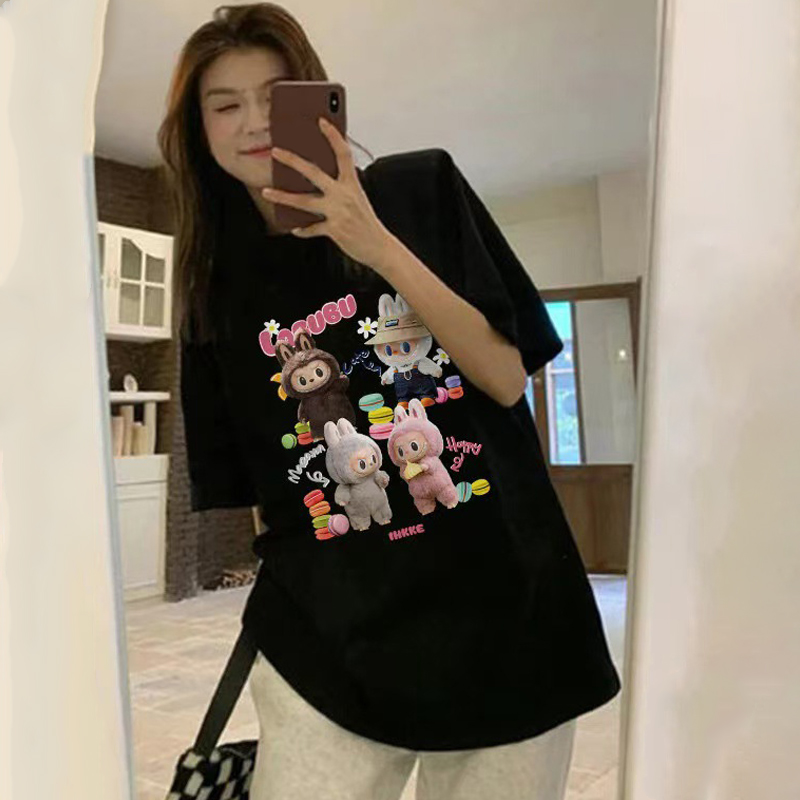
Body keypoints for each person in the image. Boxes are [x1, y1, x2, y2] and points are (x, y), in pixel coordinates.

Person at [157, 4, 621, 799]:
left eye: (275, 96)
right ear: (199, 133)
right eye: (225, 105)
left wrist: (373, 242)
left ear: (317, 98)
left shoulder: (419, 191)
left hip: (505, 622)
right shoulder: (213, 288)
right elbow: (264, 493)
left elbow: (506, 377)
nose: (255, 122)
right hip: (331, 650)